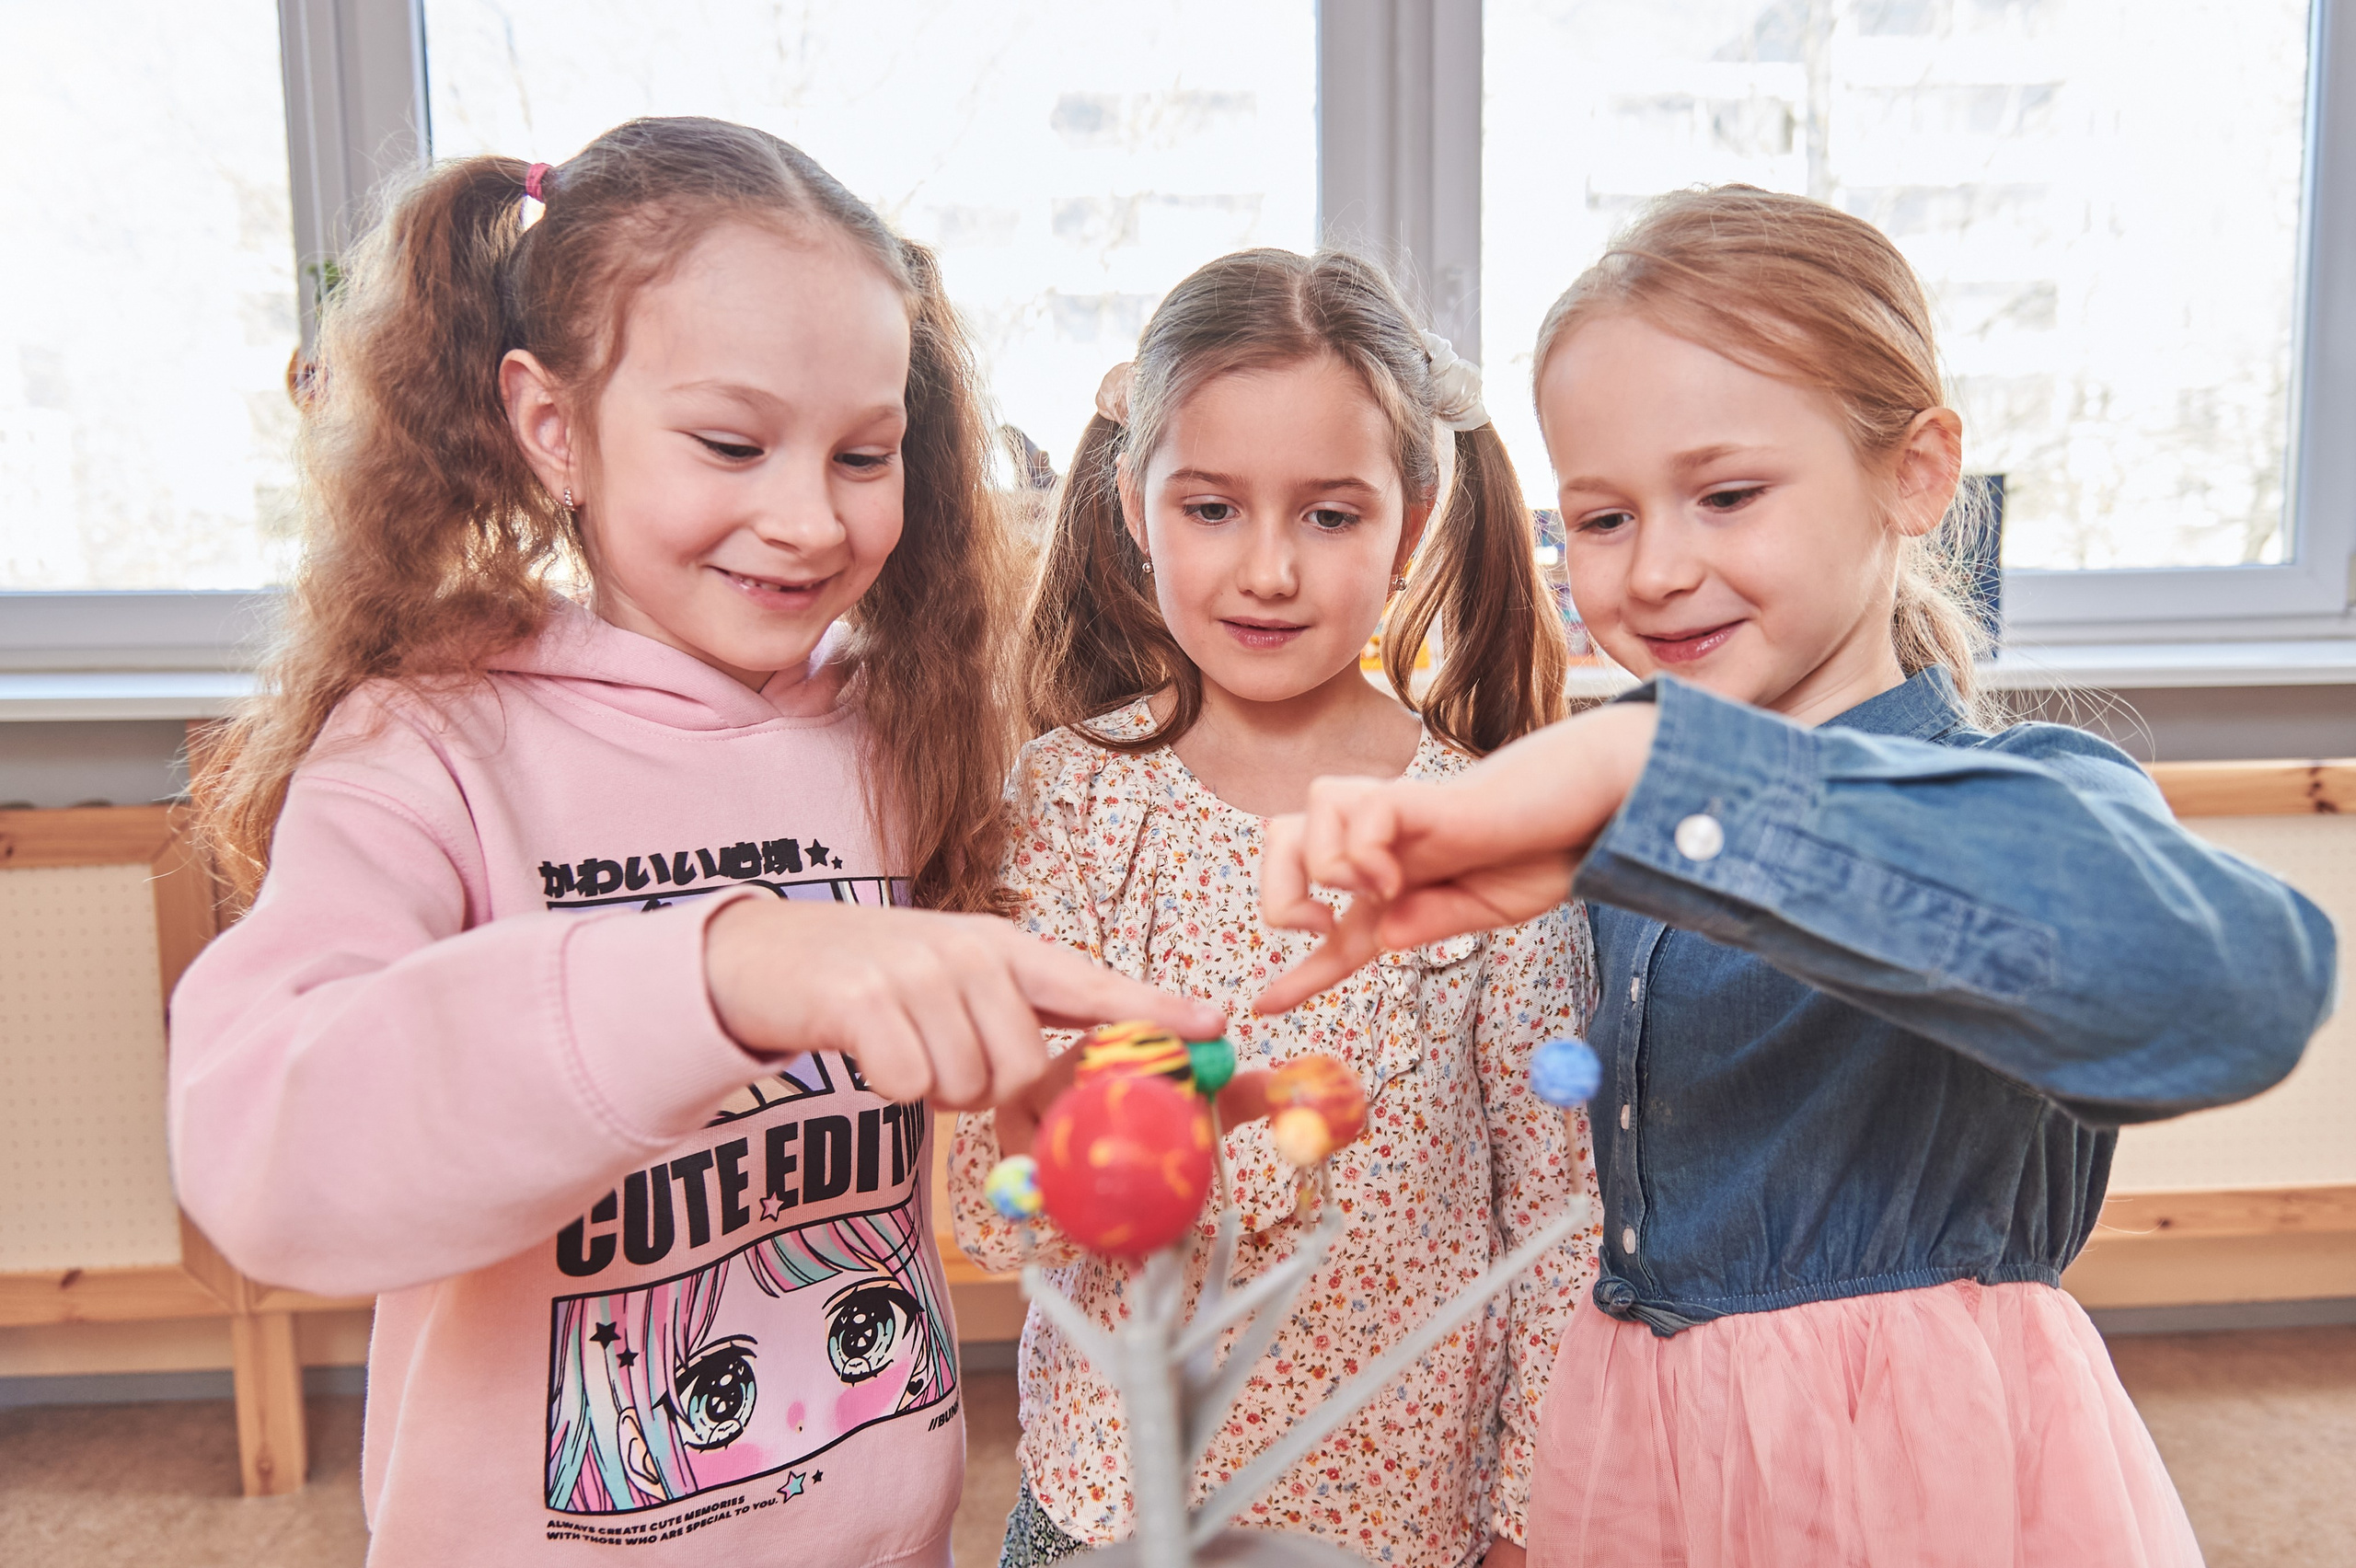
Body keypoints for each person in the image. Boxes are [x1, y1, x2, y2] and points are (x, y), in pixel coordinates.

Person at [167, 117, 1221, 1567]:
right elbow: (259, 1163)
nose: (807, 518)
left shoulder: (896, 736)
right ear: (552, 426)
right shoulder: (428, 750)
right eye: (731, 443)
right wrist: (723, 971)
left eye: (865, 454)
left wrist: (1061, 1098)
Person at [1254, 186, 2337, 1568]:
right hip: (1651, 1445)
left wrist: (1680, 789)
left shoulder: (2034, 791)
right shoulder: (1620, 816)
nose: (1654, 570)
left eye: (1727, 495)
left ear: (1916, 471)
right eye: (1598, 518)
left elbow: (2234, 992)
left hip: (1912, 1476)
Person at [948, 248, 1601, 1568]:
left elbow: (1554, 1209)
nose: (1267, 572)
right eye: (1210, 509)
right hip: (1106, 1514)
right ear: (1135, 507)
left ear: (1412, 522)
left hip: (1400, 1525)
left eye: (1328, 516)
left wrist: (1525, 1519)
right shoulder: (1066, 802)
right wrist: (1110, 1144)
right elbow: (982, 1195)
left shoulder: (1479, 826)